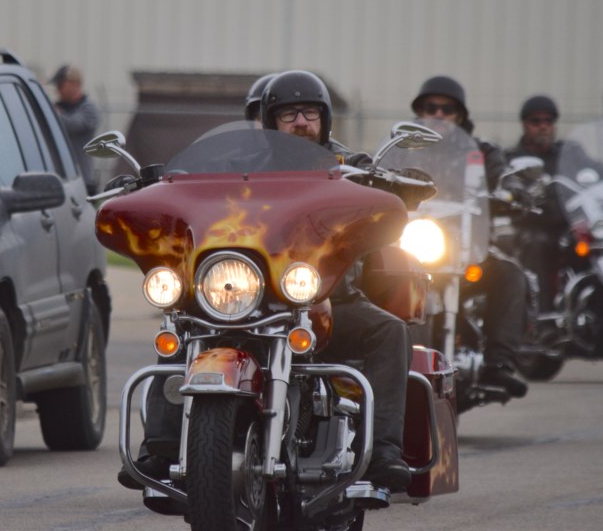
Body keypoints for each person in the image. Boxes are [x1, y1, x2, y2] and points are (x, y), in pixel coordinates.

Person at [119, 70, 414, 493]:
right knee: (182, 323)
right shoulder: (237, 168)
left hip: (326, 300)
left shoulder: (349, 168)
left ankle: (384, 451)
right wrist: (151, 184)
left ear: (324, 119)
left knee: (389, 331)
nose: (299, 122)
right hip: (247, 296)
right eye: (288, 113)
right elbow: (191, 187)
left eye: (309, 112)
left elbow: (386, 192)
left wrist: (396, 184)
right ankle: (161, 446)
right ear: (270, 122)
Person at [411, 75, 529, 399]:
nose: (438, 114)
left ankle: (498, 365)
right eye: (430, 107)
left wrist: (512, 190)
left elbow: (502, 175)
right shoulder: (404, 146)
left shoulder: (482, 150)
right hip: (414, 252)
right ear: (419, 111)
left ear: (460, 115)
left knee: (510, 275)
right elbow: (377, 172)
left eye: (447, 109)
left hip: (468, 255)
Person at [505, 95, 566, 313]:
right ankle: (542, 318)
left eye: (548, 121)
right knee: (535, 245)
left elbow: (596, 172)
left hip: (565, 227)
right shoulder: (512, 160)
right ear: (524, 125)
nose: (543, 127)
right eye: (536, 121)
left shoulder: (566, 154)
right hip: (529, 228)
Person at [50, 64, 100, 194]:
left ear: (75, 84)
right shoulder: (59, 108)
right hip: (60, 179)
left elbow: (72, 125)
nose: (57, 90)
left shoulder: (89, 109)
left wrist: (52, 113)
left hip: (80, 182)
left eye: (60, 85)